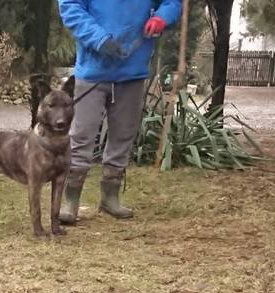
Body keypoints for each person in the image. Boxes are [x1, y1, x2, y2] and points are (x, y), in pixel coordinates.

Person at [56, 0, 182, 224]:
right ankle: (70, 200)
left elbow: (173, 2)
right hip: (92, 69)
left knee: (123, 134)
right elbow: (71, 7)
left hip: (133, 68)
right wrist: (99, 39)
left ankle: (109, 197)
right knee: (81, 135)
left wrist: (162, 17)